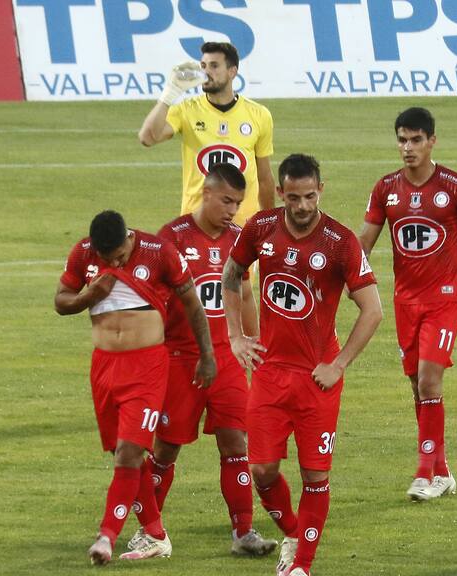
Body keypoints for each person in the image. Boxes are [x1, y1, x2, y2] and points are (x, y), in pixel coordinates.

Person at [223, 154, 383, 576]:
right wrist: (235, 335)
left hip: (317, 379)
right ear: (281, 193)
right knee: (261, 469)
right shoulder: (260, 228)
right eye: (293, 197)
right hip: (271, 374)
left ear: (321, 190)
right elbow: (232, 272)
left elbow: (372, 310)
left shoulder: (340, 241)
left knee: (315, 475)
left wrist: (340, 363)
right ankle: (293, 534)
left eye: (310, 196)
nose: (302, 206)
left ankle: (301, 567)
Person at [359, 107, 457, 501]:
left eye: (415, 140)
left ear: (431, 142)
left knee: (429, 379)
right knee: (418, 386)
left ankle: (424, 473)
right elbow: (363, 246)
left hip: (443, 300)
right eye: (402, 140)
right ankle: (442, 471)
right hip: (404, 302)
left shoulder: (456, 187)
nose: (407, 148)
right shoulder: (385, 189)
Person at [129, 162, 275, 556]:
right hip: (182, 359)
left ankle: (244, 533)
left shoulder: (238, 239)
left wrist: (253, 340)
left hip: (226, 357)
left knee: (236, 441)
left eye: (238, 203)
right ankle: (150, 532)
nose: (232, 210)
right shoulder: (170, 238)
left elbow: (244, 293)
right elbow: (151, 301)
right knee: (165, 448)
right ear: (206, 193)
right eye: (226, 200)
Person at [55, 210, 216, 565]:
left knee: (130, 451)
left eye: (119, 256)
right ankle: (156, 534)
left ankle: (106, 536)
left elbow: (192, 303)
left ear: (129, 239)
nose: (114, 262)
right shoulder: (84, 254)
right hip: (104, 367)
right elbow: (61, 302)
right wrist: (90, 295)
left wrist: (207, 355)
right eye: (106, 258)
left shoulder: (159, 252)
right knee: (126, 453)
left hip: (147, 367)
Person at [138, 41, 275, 225]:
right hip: (196, 226)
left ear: (232, 72)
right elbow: (147, 138)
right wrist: (170, 93)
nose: (206, 72)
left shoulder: (259, 115)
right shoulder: (186, 110)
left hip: (242, 227)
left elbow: (264, 178)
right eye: (203, 66)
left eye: (214, 66)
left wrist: (270, 223)